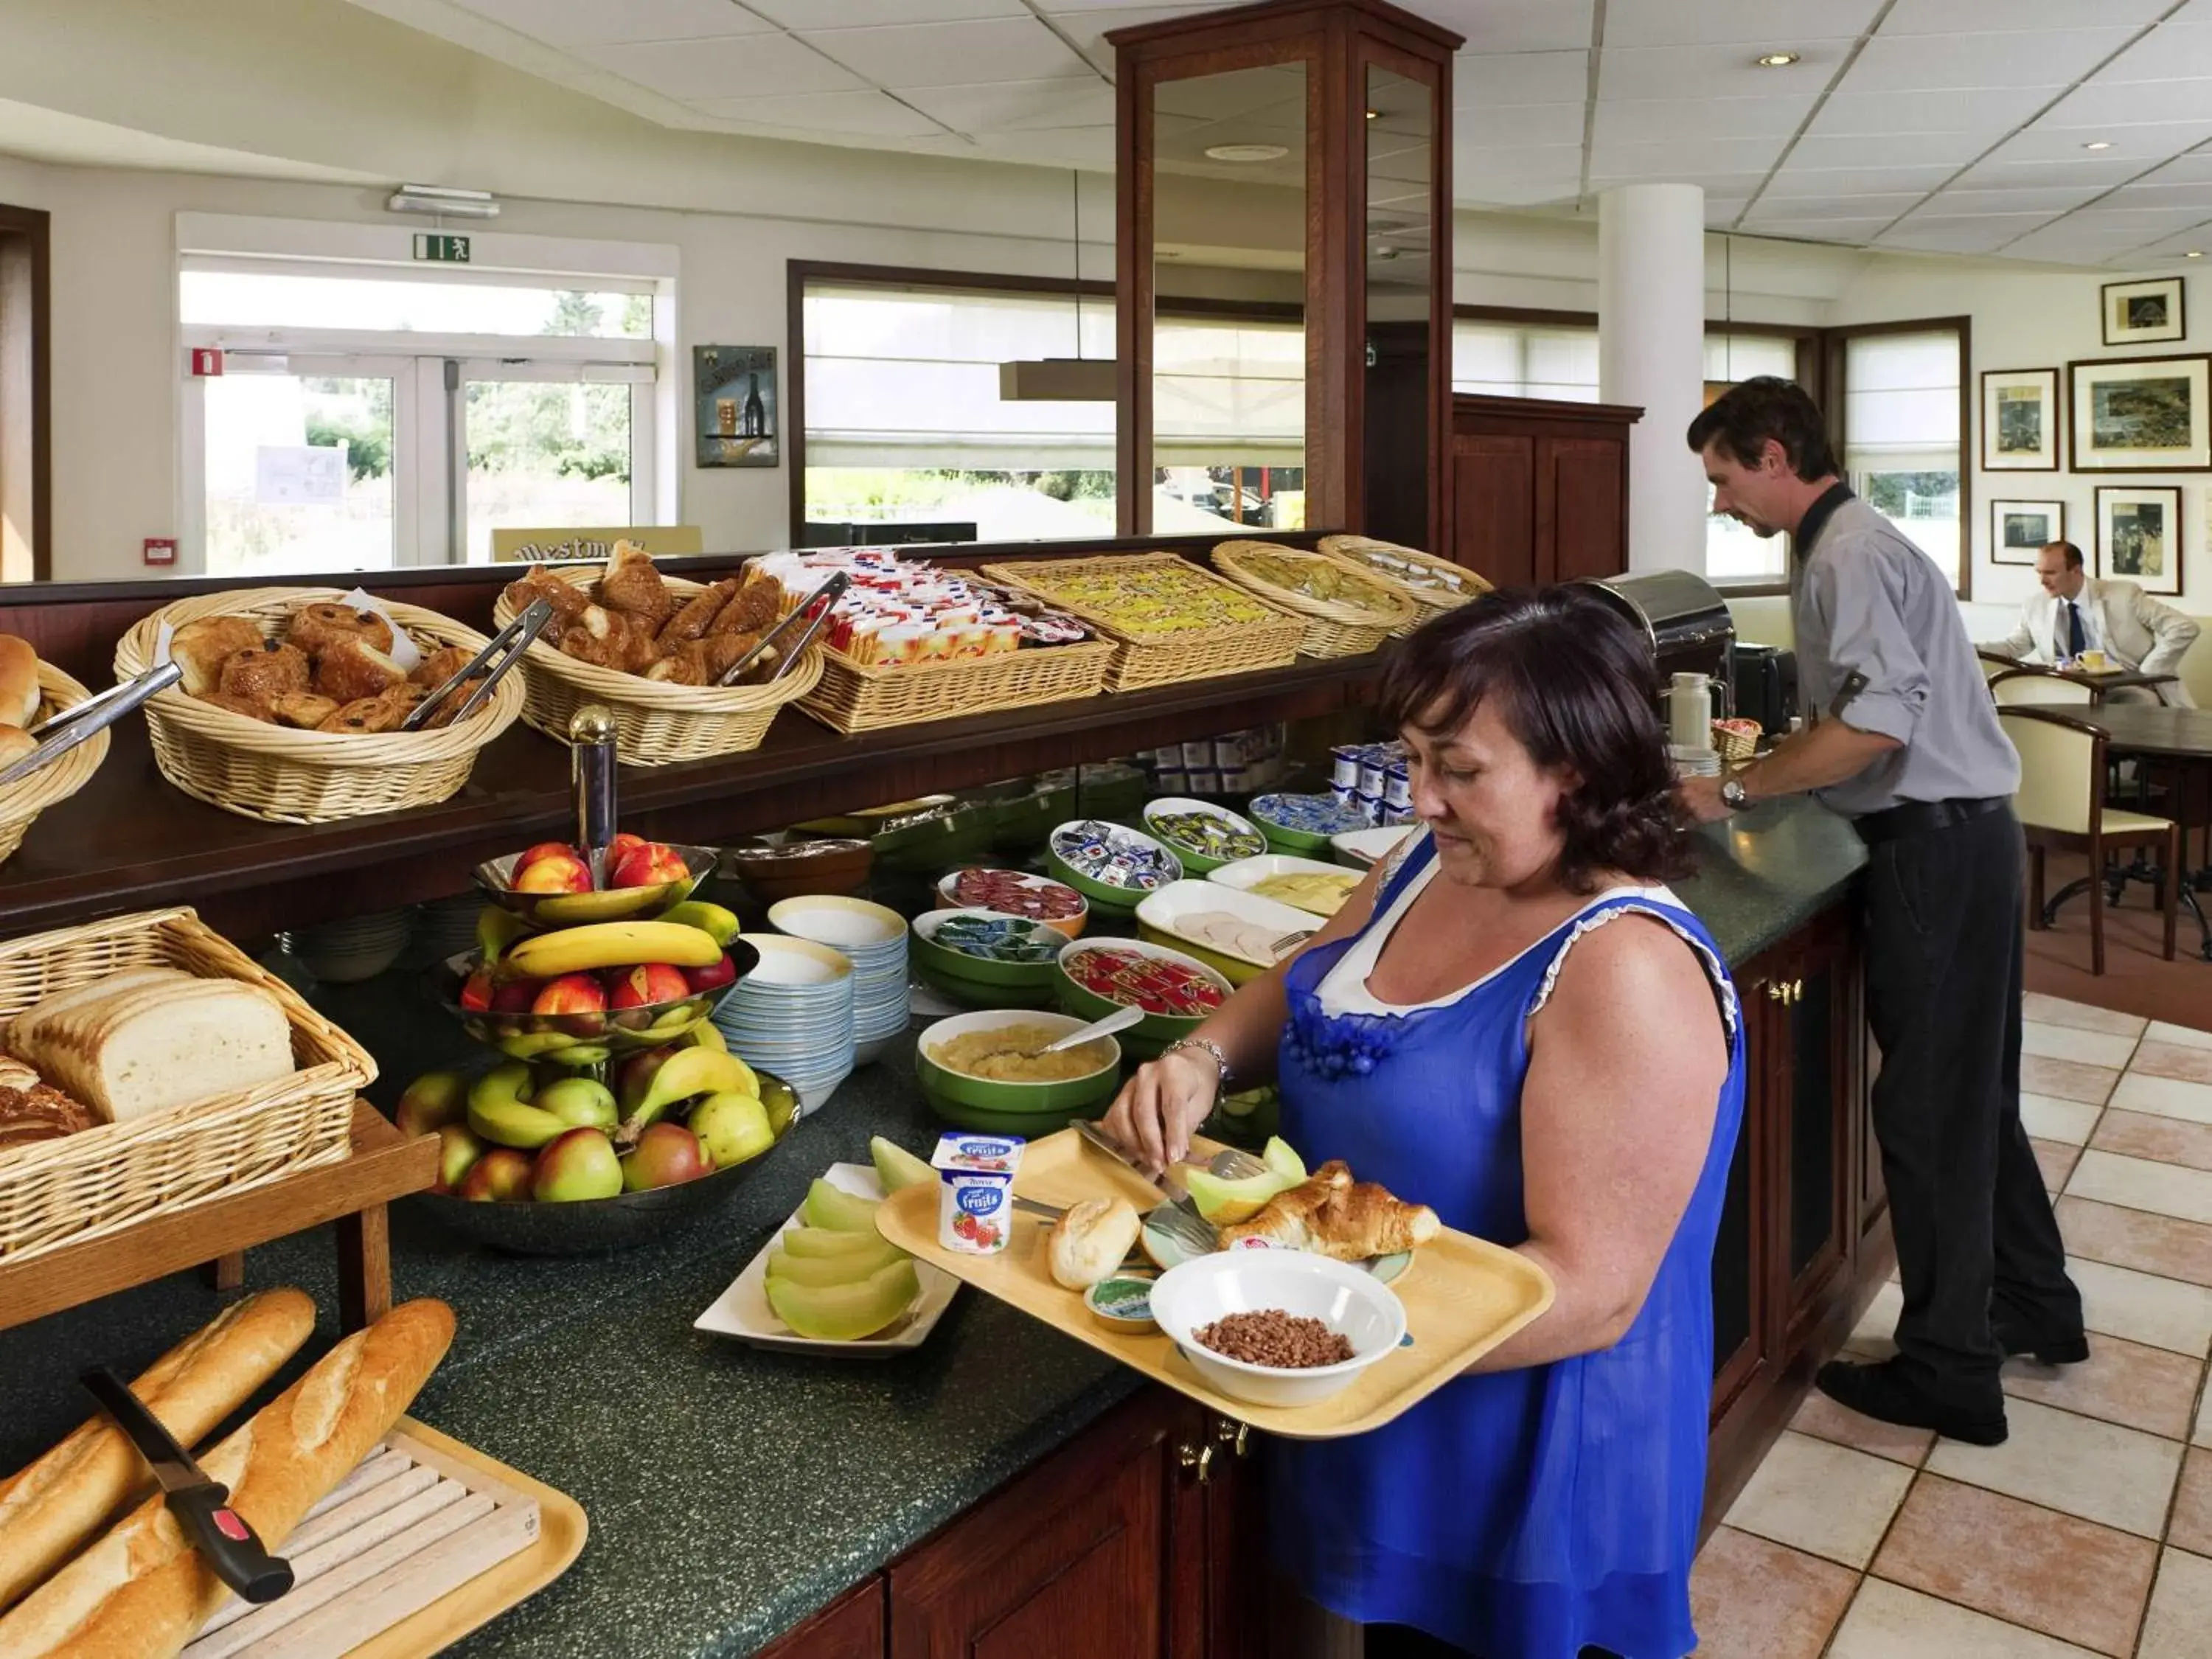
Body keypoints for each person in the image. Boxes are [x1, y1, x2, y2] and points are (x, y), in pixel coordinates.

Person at [1104, 587, 1743, 1659]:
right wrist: (1200, 1058)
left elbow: (1592, 1295)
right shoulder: (1423, 865)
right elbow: (1308, 974)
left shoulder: (1623, 965)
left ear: (1574, 767)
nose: (1421, 796)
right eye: (1410, 757)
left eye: (1458, 766)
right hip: (1386, 1391)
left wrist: (1297, 1330)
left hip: (1524, 1459)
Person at [1680, 375, 2085, 1450]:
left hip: (1934, 852)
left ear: (1771, 453)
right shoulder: (1863, 536)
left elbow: (1875, 726)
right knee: (1972, 1099)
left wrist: (1730, 789)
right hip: (1975, 838)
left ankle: (1952, 1369)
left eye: (1723, 477)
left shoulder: (1846, 552)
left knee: (1928, 1112)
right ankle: (2036, 1305)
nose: (1722, 501)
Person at [1979, 540, 2199, 706]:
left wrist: (2149, 670)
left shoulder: (2124, 595)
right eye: (2039, 572)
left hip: (2125, 687)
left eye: (2050, 573)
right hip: (2068, 690)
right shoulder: (2036, 605)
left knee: (2141, 701)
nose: (2042, 581)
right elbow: (2014, 647)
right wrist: (1968, 648)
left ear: (2076, 571)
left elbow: (2184, 627)